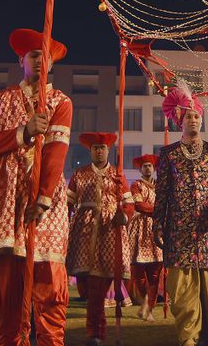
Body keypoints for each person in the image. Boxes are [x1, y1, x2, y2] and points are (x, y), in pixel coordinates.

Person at [0, 28, 72, 346]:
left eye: (46, 56)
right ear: (21, 60)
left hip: (43, 201)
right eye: (34, 55)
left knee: (49, 288)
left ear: (53, 64)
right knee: (6, 295)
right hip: (3, 200)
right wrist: (23, 131)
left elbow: (56, 151)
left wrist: (43, 197)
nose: (41, 61)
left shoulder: (61, 102)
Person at [153, 84, 208, 346]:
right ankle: (188, 339)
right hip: (178, 230)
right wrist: (157, 225)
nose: (193, 119)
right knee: (182, 290)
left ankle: (206, 335)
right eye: (188, 116)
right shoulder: (168, 154)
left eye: (196, 115)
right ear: (179, 121)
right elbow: (161, 193)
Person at [66, 131, 133, 346]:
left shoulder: (118, 175)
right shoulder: (79, 174)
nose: (99, 151)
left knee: (98, 286)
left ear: (108, 150)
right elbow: (68, 203)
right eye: (95, 148)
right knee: (86, 286)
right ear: (91, 151)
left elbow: (129, 204)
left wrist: (125, 215)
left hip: (109, 232)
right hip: (84, 233)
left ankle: (95, 333)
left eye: (102, 148)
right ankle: (95, 330)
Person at [128, 153, 163, 321]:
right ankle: (144, 304)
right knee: (139, 273)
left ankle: (150, 308)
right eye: (145, 166)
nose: (147, 168)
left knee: (155, 274)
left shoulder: (161, 186)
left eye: (150, 165)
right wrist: (159, 210)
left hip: (157, 230)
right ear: (140, 169)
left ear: (154, 168)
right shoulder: (136, 185)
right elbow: (139, 205)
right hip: (140, 230)